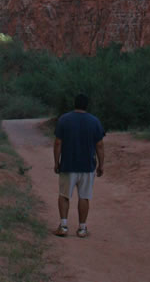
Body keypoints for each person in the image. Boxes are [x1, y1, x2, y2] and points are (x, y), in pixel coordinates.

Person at [53, 93, 105, 238]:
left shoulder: (64, 120)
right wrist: (101, 165)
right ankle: (82, 228)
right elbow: (99, 145)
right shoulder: (94, 121)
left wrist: (56, 162)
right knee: (84, 196)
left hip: (68, 165)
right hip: (87, 166)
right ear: (86, 105)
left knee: (64, 195)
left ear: (74, 104)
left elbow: (58, 143)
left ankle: (63, 226)